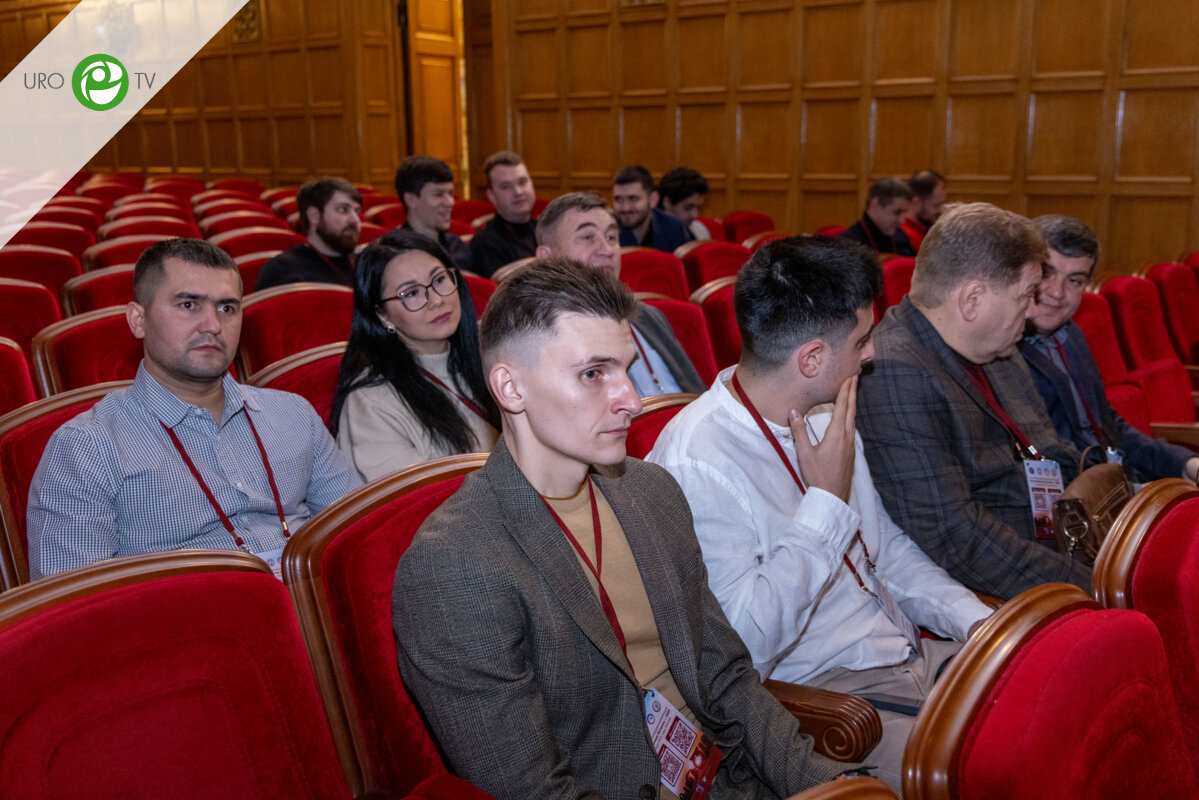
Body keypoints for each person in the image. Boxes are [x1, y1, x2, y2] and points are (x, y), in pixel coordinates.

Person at [392, 259, 856, 800]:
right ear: (510, 388)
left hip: (731, 779)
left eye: (626, 369)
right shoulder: (455, 566)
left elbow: (726, 678)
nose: (631, 400)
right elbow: (532, 790)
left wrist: (831, 787)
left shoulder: (650, 492)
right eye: (593, 373)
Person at [648, 236, 991, 792]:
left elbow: (886, 550)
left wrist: (974, 621)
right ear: (811, 359)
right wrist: (825, 505)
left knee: (1058, 702)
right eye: (862, 340)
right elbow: (743, 652)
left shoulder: (826, 407)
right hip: (832, 704)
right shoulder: (697, 461)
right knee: (994, 771)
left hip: (911, 653)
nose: (870, 355)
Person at [27, 238, 361, 580]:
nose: (213, 325)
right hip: (190, 610)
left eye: (227, 308)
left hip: (313, 597)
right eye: (189, 305)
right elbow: (76, 600)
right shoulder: (86, 447)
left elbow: (357, 537)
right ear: (138, 320)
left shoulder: (294, 414)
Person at [856, 203, 1089, 600]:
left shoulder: (998, 350)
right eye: (1026, 295)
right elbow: (956, 538)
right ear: (972, 299)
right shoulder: (893, 372)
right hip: (1007, 596)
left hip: (1062, 545)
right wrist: (1097, 584)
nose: (1033, 311)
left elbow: (1051, 453)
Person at [1020, 215, 1199, 483]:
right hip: (1073, 494)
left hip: (1113, 482)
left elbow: (1107, 427)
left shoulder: (1070, 335)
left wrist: (1184, 463)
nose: (1057, 293)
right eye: (1047, 274)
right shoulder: (1000, 352)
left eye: (1074, 280)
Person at [331, 230, 499, 481]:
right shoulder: (370, 403)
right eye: (411, 293)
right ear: (382, 315)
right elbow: (417, 501)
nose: (436, 300)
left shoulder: (494, 356)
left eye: (439, 280)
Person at [535, 192, 706, 396]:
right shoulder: (542, 338)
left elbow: (697, 394)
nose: (607, 250)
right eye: (588, 237)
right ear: (547, 257)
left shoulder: (648, 315)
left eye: (611, 237)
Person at [255, 177, 361, 290]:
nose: (355, 220)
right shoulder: (282, 271)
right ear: (314, 216)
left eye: (357, 211)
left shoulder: (364, 264)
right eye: (343, 209)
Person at [393, 155, 472, 273]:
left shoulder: (457, 247)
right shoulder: (393, 255)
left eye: (450, 193)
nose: (450, 202)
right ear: (411, 200)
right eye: (438, 194)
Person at [469, 150, 538, 278]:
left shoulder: (548, 229)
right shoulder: (485, 243)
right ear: (491, 196)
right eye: (506, 186)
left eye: (522, 182)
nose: (518, 191)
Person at [614, 165, 690, 253]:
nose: (625, 208)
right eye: (618, 200)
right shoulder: (606, 231)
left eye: (633, 199)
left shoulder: (673, 229)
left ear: (653, 199)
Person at [841, 177, 915, 258]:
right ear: (875, 204)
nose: (902, 220)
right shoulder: (851, 242)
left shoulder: (900, 235)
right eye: (897, 212)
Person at [658, 166, 710, 241]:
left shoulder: (699, 231)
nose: (695, 215)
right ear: (667, 203)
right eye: (688, 207)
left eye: (698, 207)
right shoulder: (650, 234)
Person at [901, 170, 946, 251]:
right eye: (935, 206)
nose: (940, 211)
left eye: (941, 205)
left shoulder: (924, 230)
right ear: (916, 201)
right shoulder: (906, 236)